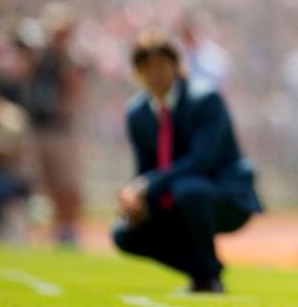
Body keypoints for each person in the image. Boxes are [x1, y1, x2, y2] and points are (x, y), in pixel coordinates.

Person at [112, 31, 263, 293]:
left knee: (189, 189)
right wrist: (135, 198)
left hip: (224, 197)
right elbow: (145, 169)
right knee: (124, 233)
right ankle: (205, 274)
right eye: (146, 68)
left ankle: (208, 274)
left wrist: (145, 185)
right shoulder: (137, 113)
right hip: (173, 197)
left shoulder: (205, 99)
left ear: (176, 65)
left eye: (160, 66)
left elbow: (200, 161)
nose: (155, 75)